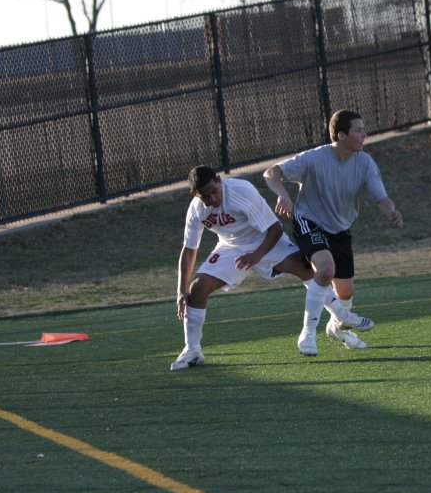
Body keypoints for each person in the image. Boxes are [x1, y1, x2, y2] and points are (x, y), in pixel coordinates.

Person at [172, 165, 373, 370]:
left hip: (266, 241)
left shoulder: (242, 191)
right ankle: (192, 351)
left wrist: (256, 256)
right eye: (205, 196)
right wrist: (181, 290)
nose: (212, 199)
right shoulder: (196, 210)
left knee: (307, 269)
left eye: (214, 191)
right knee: (197, 288)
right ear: (195, 194)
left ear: (219, 179)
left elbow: (274, 229)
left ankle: (341, 316)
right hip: (231, 248)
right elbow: (189, 250)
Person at [263, 109, 403, 357]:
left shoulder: (365, 162)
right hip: (309, 222)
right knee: (325, 269)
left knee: (346, 291)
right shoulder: (314, 158)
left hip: (340, 230)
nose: (364, 135)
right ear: (341, 135)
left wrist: (391, 211)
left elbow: (381, 198)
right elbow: (271, 173)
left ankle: (336, 327)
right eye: (359, 130)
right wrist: (283, 194)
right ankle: (307, 334)